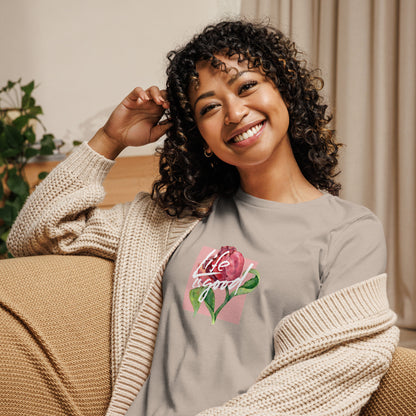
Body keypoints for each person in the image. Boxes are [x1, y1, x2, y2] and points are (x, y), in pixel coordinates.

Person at [7, 20, 398, 416]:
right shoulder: (174, 220)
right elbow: (35, 235)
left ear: (284, 89)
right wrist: (110, 138)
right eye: (209, 107)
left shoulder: (349, 231)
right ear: (201, 137)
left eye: (246, 86)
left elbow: (327, 375)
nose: (234, 112)